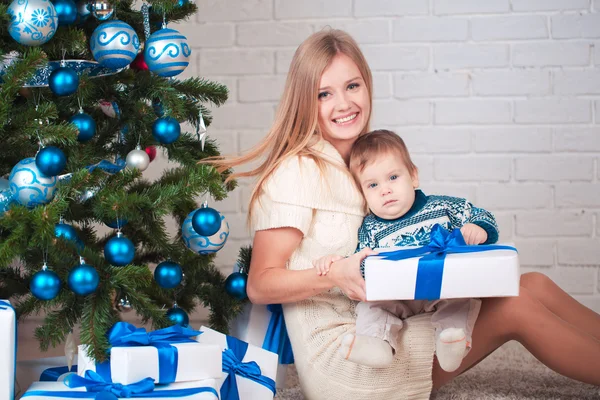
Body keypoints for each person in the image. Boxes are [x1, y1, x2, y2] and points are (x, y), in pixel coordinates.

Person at [208, 29, 600, 399]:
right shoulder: (296, 172)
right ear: (304, 102)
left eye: (352, 86)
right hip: (351, 350)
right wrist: (333, 275)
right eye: (324, 93)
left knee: (530, 284)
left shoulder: (365, 164)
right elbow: (260, 284)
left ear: (367, 85)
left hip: (391, 319)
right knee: (515, 307)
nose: (344, 104)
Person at [313, 129, 496, 372]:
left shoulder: (442, 207)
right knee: (370, 306)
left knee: (462, 297)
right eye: (373, 185)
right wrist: (340, 263)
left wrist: (478, 227)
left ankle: (451, 341)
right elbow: (363, 262)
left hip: (440, 287)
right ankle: (378, 343)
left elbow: (483, 215)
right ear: (363, 194)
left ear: (413, 177)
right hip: (397, 296)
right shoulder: (371, 227)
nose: (385, 190)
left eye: (393, 178)